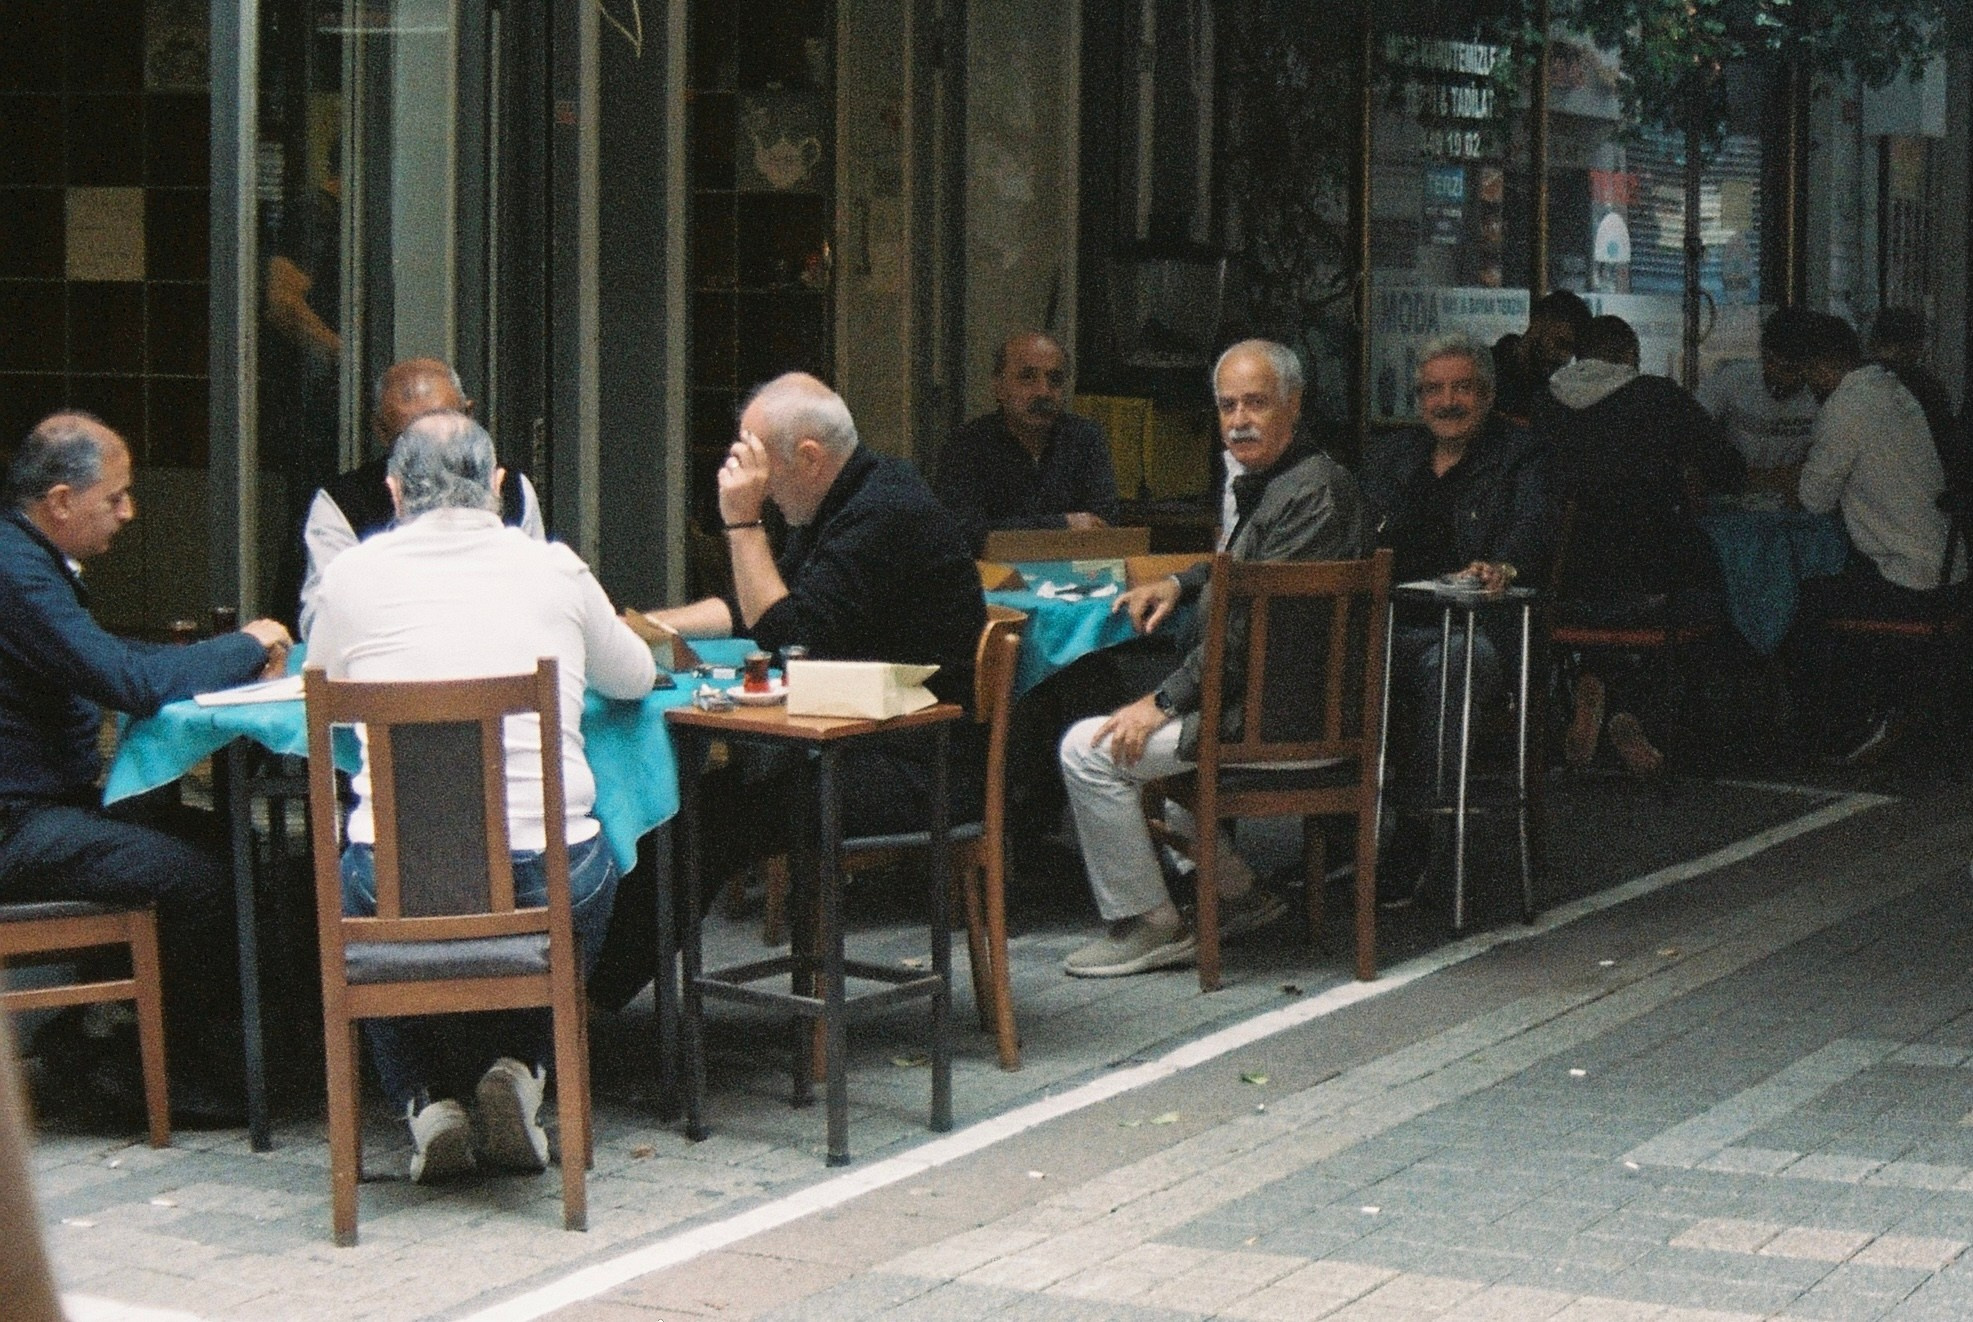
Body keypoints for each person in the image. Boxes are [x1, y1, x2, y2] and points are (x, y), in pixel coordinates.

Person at [307, 411, 655, 1182]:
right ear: (499, 487)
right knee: (592, 867)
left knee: (356, 887)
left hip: (393, 882)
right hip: (545, 877)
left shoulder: (350, 577)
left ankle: (424, 1103)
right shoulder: (554, 569)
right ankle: (521, 1067)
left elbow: (320, 683)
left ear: (395, 492)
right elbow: (632, 676)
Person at [593, 373, 986, 1008]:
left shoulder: (884, 515)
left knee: (702, 819)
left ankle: (589, 1003)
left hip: (918, 764)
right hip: (864, 744)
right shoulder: (844, 498)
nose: (753, 484)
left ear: (807, 457)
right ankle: (592, 997)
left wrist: (741, 524)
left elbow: (790, 639)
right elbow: (758, 608)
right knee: (703, 804)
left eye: (757, 464)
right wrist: (648, 626)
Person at [0, 413, 292, 1110]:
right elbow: (126, 681)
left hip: (44, 806)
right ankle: (152, 1067)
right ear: (62, 501)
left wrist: (223, 661)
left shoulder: (27, 560)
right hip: (16, 825)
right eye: (114, 497)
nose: (128, 512)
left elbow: (119, 662)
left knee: (219, 839)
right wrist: (246, 645)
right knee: (199, 878)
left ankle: (109, 1030)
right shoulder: (18, 574)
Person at [1055, 340, 1367, 978]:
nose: (1238, 420)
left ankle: (1152, 924)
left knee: (1088, 750)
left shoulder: (1313, 494)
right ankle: (1240, 897)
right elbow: (1240, 572)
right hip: (1273, 710)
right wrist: (1180, 582)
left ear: (1294, 405)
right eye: (1227, 406)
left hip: (1280, 721)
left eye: (1256, 402)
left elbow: (1247, 627)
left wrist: (1162, 701)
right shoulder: (1285, 482)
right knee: (1149, 753)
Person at [1360, 333, 1549, 897]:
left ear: (1487, 395)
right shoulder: (1392, 456)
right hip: (1392, 627)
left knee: (1453, 662)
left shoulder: (1522, 455)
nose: (1447, 402)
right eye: (1433, 390)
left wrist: (1502, 568)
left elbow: (1532, 537)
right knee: (1327, 654)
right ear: (1418, 400)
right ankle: (1338, 837)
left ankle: (1416, 834)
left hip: (1482, 632)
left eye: (1462, 388)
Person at [1542, 315, 1745, 773]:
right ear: (1631, 356)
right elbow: (1727, 468)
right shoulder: (1658, 397)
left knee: (1606, 590)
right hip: (1655, 591)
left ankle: (1596, 679)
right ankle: (1639, 711)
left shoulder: (1543, 405)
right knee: (1713, 594)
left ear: (1579, 358)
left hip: (1563, 594)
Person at [1792, 313, 1963, 763]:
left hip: (1907, 581)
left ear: (1824, 365)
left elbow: (1813, 499)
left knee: (1797, 602)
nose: (1807, 383)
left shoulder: (1845, 408)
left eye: (1808, 371)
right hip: (1949, 570)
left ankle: (1840, 727)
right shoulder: (1894, 392)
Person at [295, 358, 544, 636]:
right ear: (381, 431)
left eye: (443, 426)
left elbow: (541, 600)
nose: (429, 448)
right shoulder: (342, 503)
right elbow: (321, 623)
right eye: (410, 437)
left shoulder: (515, 489)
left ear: (469, 416)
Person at [932, 332, 1122, 556]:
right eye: (1028, 377)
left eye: (1055, 379)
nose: (1043, 391)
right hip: (996, 579)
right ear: (999, 387)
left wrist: (1014, 532)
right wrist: (1061, 525)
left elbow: (1103, 526)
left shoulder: (1085, 438)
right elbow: (962, 534)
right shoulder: (967, 445)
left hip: (1074, 575)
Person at [1695, 306, 1821, 491]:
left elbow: (1819, 470)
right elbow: (1692, 427)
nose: (1778, 375)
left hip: (1792, 497)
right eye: (1771, 362)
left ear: (1808, 366)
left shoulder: (1820, 397)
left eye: (1789, 369)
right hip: (1731, 489)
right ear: (1764, 354)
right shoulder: (1732, 379)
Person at [1869, 307, 1964, 485]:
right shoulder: (1928, 388)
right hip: (1921, 485)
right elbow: (1947, 447)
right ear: (1917, 346)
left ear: (1875, 341)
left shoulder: (1857, 384)